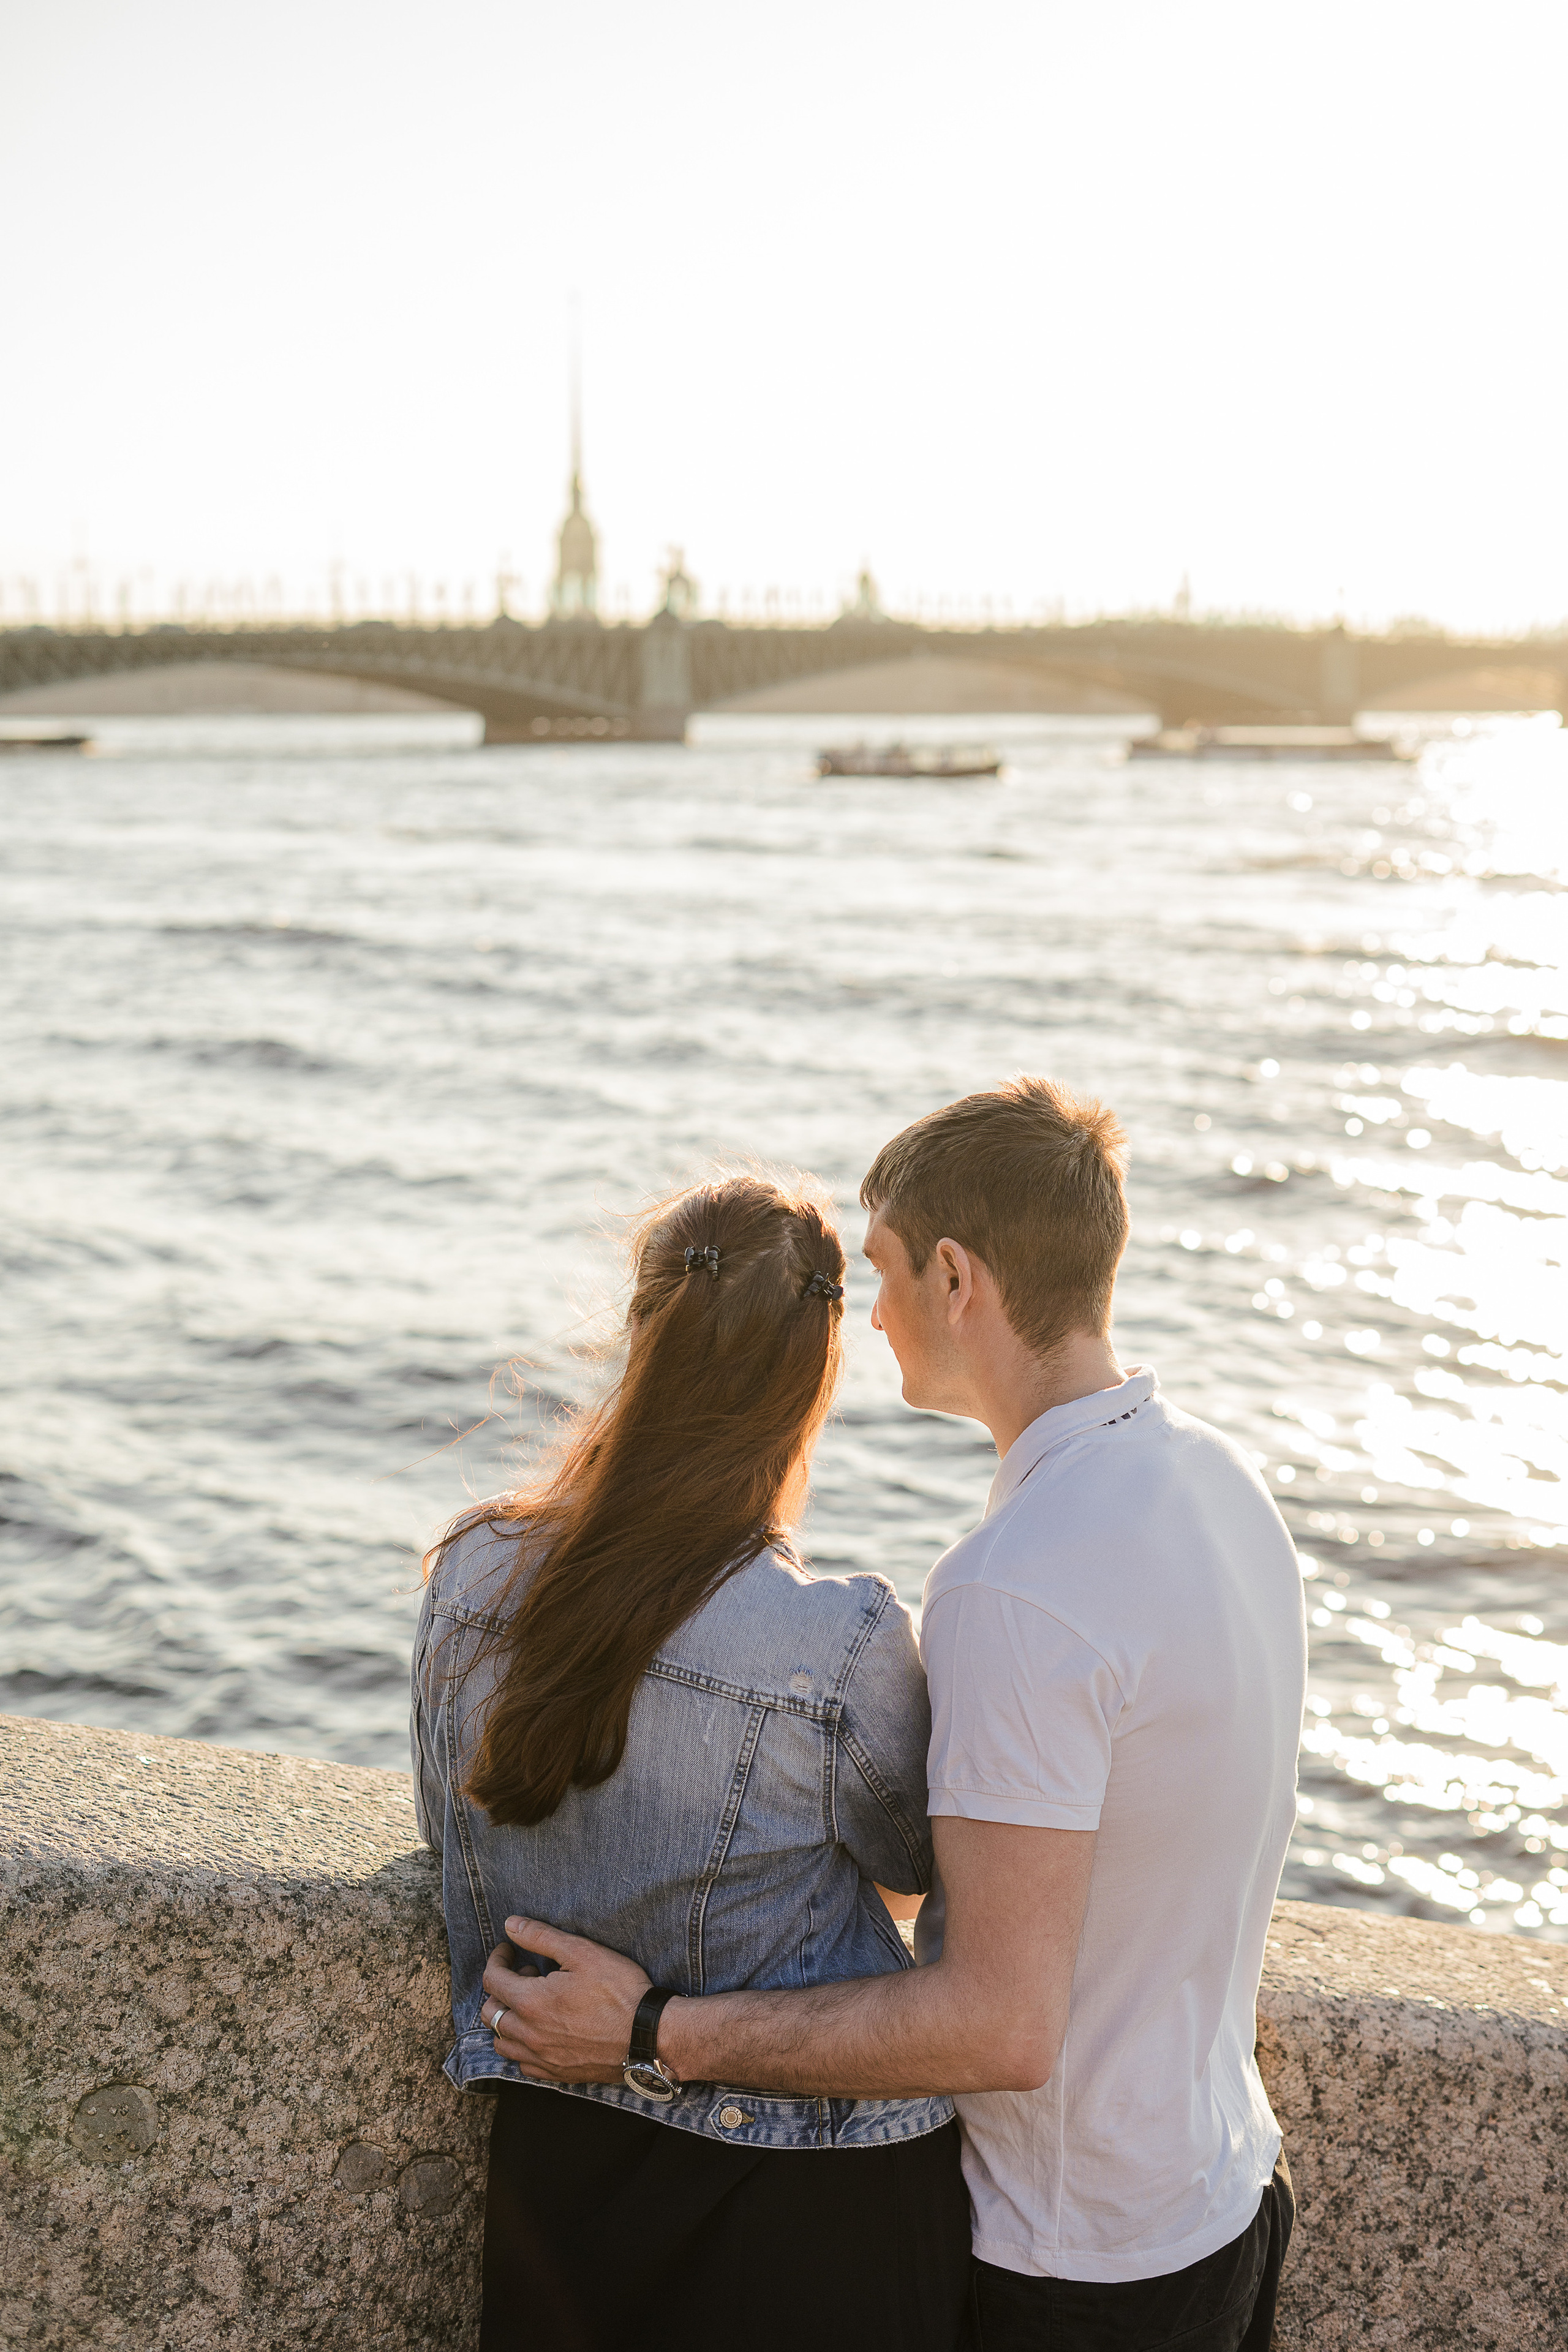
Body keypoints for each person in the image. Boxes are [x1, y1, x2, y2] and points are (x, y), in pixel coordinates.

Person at [482, 1078, 1308, 2350]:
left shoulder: (1014, 1585)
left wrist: (648, 2031)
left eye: (879, 1272)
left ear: (956, 1280)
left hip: (1067, 2259)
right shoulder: (1214, 1483)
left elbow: (999, 2022)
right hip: (1219, 2194)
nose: (866, 1317)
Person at [410, 1172, 973, 2352]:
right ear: (811, 1382)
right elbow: (926, 1880)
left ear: (642, 1331)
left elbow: (450, 1842)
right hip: (815, 2194)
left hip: (562, 2171)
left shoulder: (469, 1580)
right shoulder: (839, 1644)